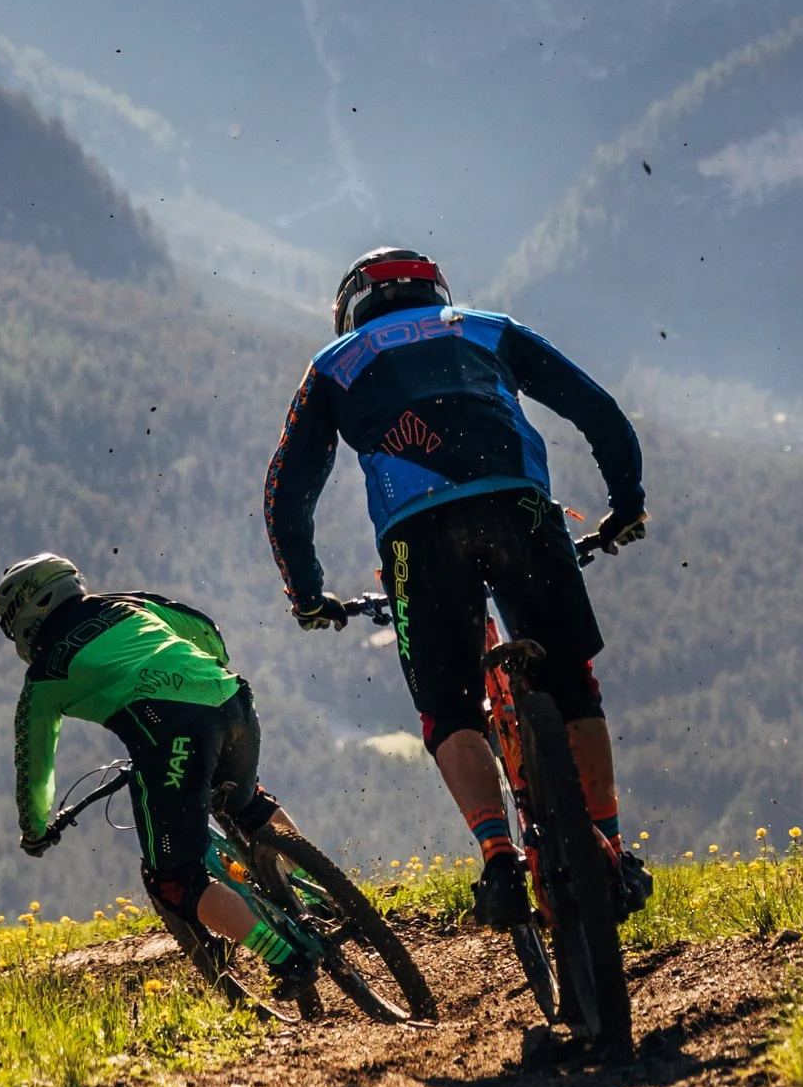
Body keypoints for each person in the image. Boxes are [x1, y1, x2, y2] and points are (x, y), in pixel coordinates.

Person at [265, 247, 652, 933]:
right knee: (570, 682)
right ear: (434, 289)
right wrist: (625, 502)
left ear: (352, 309)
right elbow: (598, 409)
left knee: (448, 707)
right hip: (521, 509)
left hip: (419, 538)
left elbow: (286, 496)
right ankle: (613, 850)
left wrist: (308, 593)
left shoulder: (334, 364)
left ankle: (499, 858)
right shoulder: (484, 326)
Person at [0, 553, 311, 993]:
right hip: (230, 696)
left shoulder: (45, 676)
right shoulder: (127, 603)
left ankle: (287, 958)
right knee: (247, 803)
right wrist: (201, 676)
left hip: (174, 736)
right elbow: (204, 629)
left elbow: (34, 766)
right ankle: (316, 898)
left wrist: (36, 828)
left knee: (174, 880)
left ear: (28, 611)